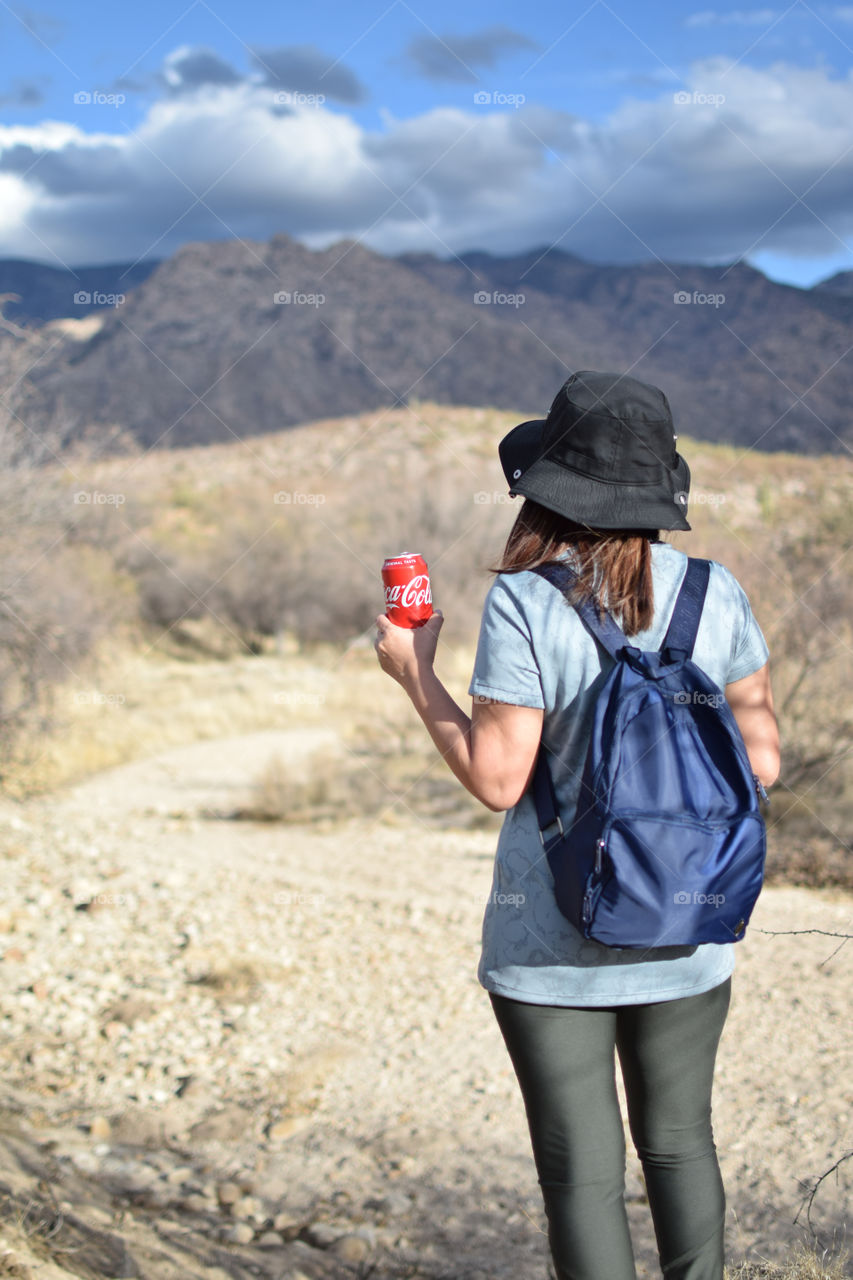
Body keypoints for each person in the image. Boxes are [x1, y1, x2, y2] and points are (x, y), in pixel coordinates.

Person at [374, 370, 781, 1280]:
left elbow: (496, 778)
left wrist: (413, 673)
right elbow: (762, 764)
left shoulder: (526, 600)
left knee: (582, 1180)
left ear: (547, 489)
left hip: (550, 939)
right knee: (681, 1146)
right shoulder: (716, 593)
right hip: (688, 923)